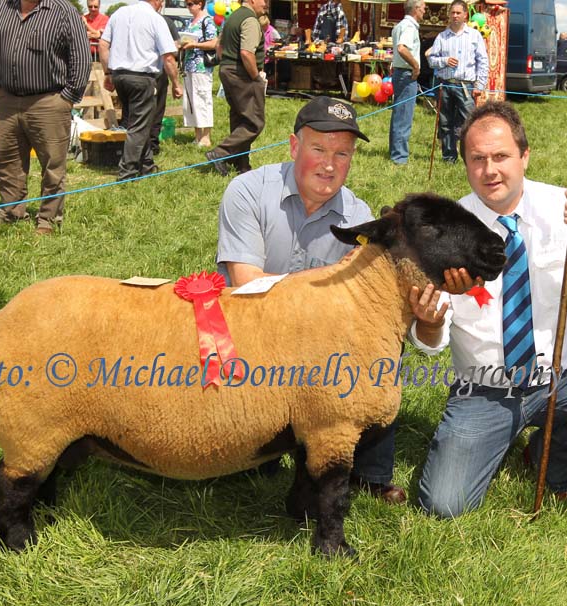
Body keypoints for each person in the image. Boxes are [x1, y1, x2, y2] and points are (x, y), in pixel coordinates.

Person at [414, 101, 567, 518]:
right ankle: (497, 435)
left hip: (563, 375)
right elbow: (431, 342)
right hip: (482, 385)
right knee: (444, 505)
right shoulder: (444, 231)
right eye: (477, 159)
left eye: (501, 156)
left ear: (524, 156)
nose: (490, 170)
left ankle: (548, 463)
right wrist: (428, 324)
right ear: (464, 161)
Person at [217, 96, 448, 504]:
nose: (329, 164)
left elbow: (368, 305)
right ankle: (261, 438)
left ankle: (370, 472)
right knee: (243, 456)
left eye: (342, 153)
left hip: (316, 345)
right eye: (318, 149)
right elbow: (246, 283)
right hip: (253, 335)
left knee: (377, 347)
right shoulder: (247, 191)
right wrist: (327, 294)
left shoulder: (358, 215)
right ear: (293, 147)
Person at [0, 0, 91, 235]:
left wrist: (67, 97)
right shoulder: (2, 7)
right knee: (6, 161)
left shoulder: (64, 11)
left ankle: (48, 220)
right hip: (8, 99)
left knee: (53, 165)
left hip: (49, 101)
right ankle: (11, 212)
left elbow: (81, 57)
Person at [99, 0, 182, 181]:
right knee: (139, 125)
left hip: (120, 76)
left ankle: (147, 165)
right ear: (157, 1)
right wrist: (176, 83)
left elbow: (103, 45)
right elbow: (168, 57)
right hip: (141, 78)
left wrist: (108, 73)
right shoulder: (155, 18)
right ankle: (127, 172)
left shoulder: (119, 14)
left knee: (139, 122)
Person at [205, 0, 267, 177]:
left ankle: (241, 164)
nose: (266, 4)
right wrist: (256, 78)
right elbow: (247, 53)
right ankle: (221, 153)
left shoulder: (232, 17)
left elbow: (219, 46)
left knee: (240, 118)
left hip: (227, 69)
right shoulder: (250, 20)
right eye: (263, 0)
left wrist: (227, 64)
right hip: (241, 73)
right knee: (254, 122)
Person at [425, 0, 488, 163]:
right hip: (444, 85)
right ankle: (448, 157)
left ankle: (473, 156)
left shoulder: (474, 36)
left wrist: (480, 85)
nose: (455, 16)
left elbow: (483, 61)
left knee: (470, 122)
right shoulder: (442, 37)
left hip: (465, 86)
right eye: (452, 13)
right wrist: (444, 60)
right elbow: (431, 60)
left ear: (465, 15)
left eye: (458, 13)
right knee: (445, 122)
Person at [388, 0, 426, 165]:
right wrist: (415, 66)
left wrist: (394, 63)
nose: (425, 11)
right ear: (416, 9)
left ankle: (395, 152)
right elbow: (402, 48)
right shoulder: (410, 27)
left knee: (398, 113)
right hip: (406, 73)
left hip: (399, 71)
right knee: (404, 115)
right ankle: (399, 157)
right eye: (424, 8)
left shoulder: (400, 25)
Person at [179, 0, 217, 148]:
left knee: (202, 98)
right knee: (190, 102)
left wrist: (195, 44)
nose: (188, 7)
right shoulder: (190, 22)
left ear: (200, 4)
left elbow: (214, 43)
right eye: (186, 4)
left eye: (190, 4)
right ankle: (197, 135)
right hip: (188, 66)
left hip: (202, 66)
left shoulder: (207, 21)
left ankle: (206, 136)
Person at [148, 11, 181, 155]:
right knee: (157, 109)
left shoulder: (131, 17)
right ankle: (152, 145)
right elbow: (174, 48)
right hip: (158, 70)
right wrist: (175, 83)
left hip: (137, 72)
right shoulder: (165, 21)